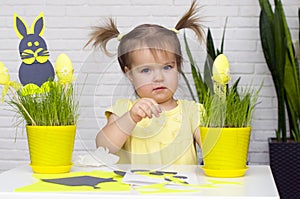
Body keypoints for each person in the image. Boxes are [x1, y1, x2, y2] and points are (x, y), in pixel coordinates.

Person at [86, 0, 204, 165]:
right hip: (134, 190)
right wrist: (131, 117)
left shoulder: (192, 112)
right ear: (130, 74)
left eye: (167, 67)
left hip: (181, 190)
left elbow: (214, 149)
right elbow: (103, 146)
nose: (159, 78)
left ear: (178, 66)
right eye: (146, 70)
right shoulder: (123, 110)